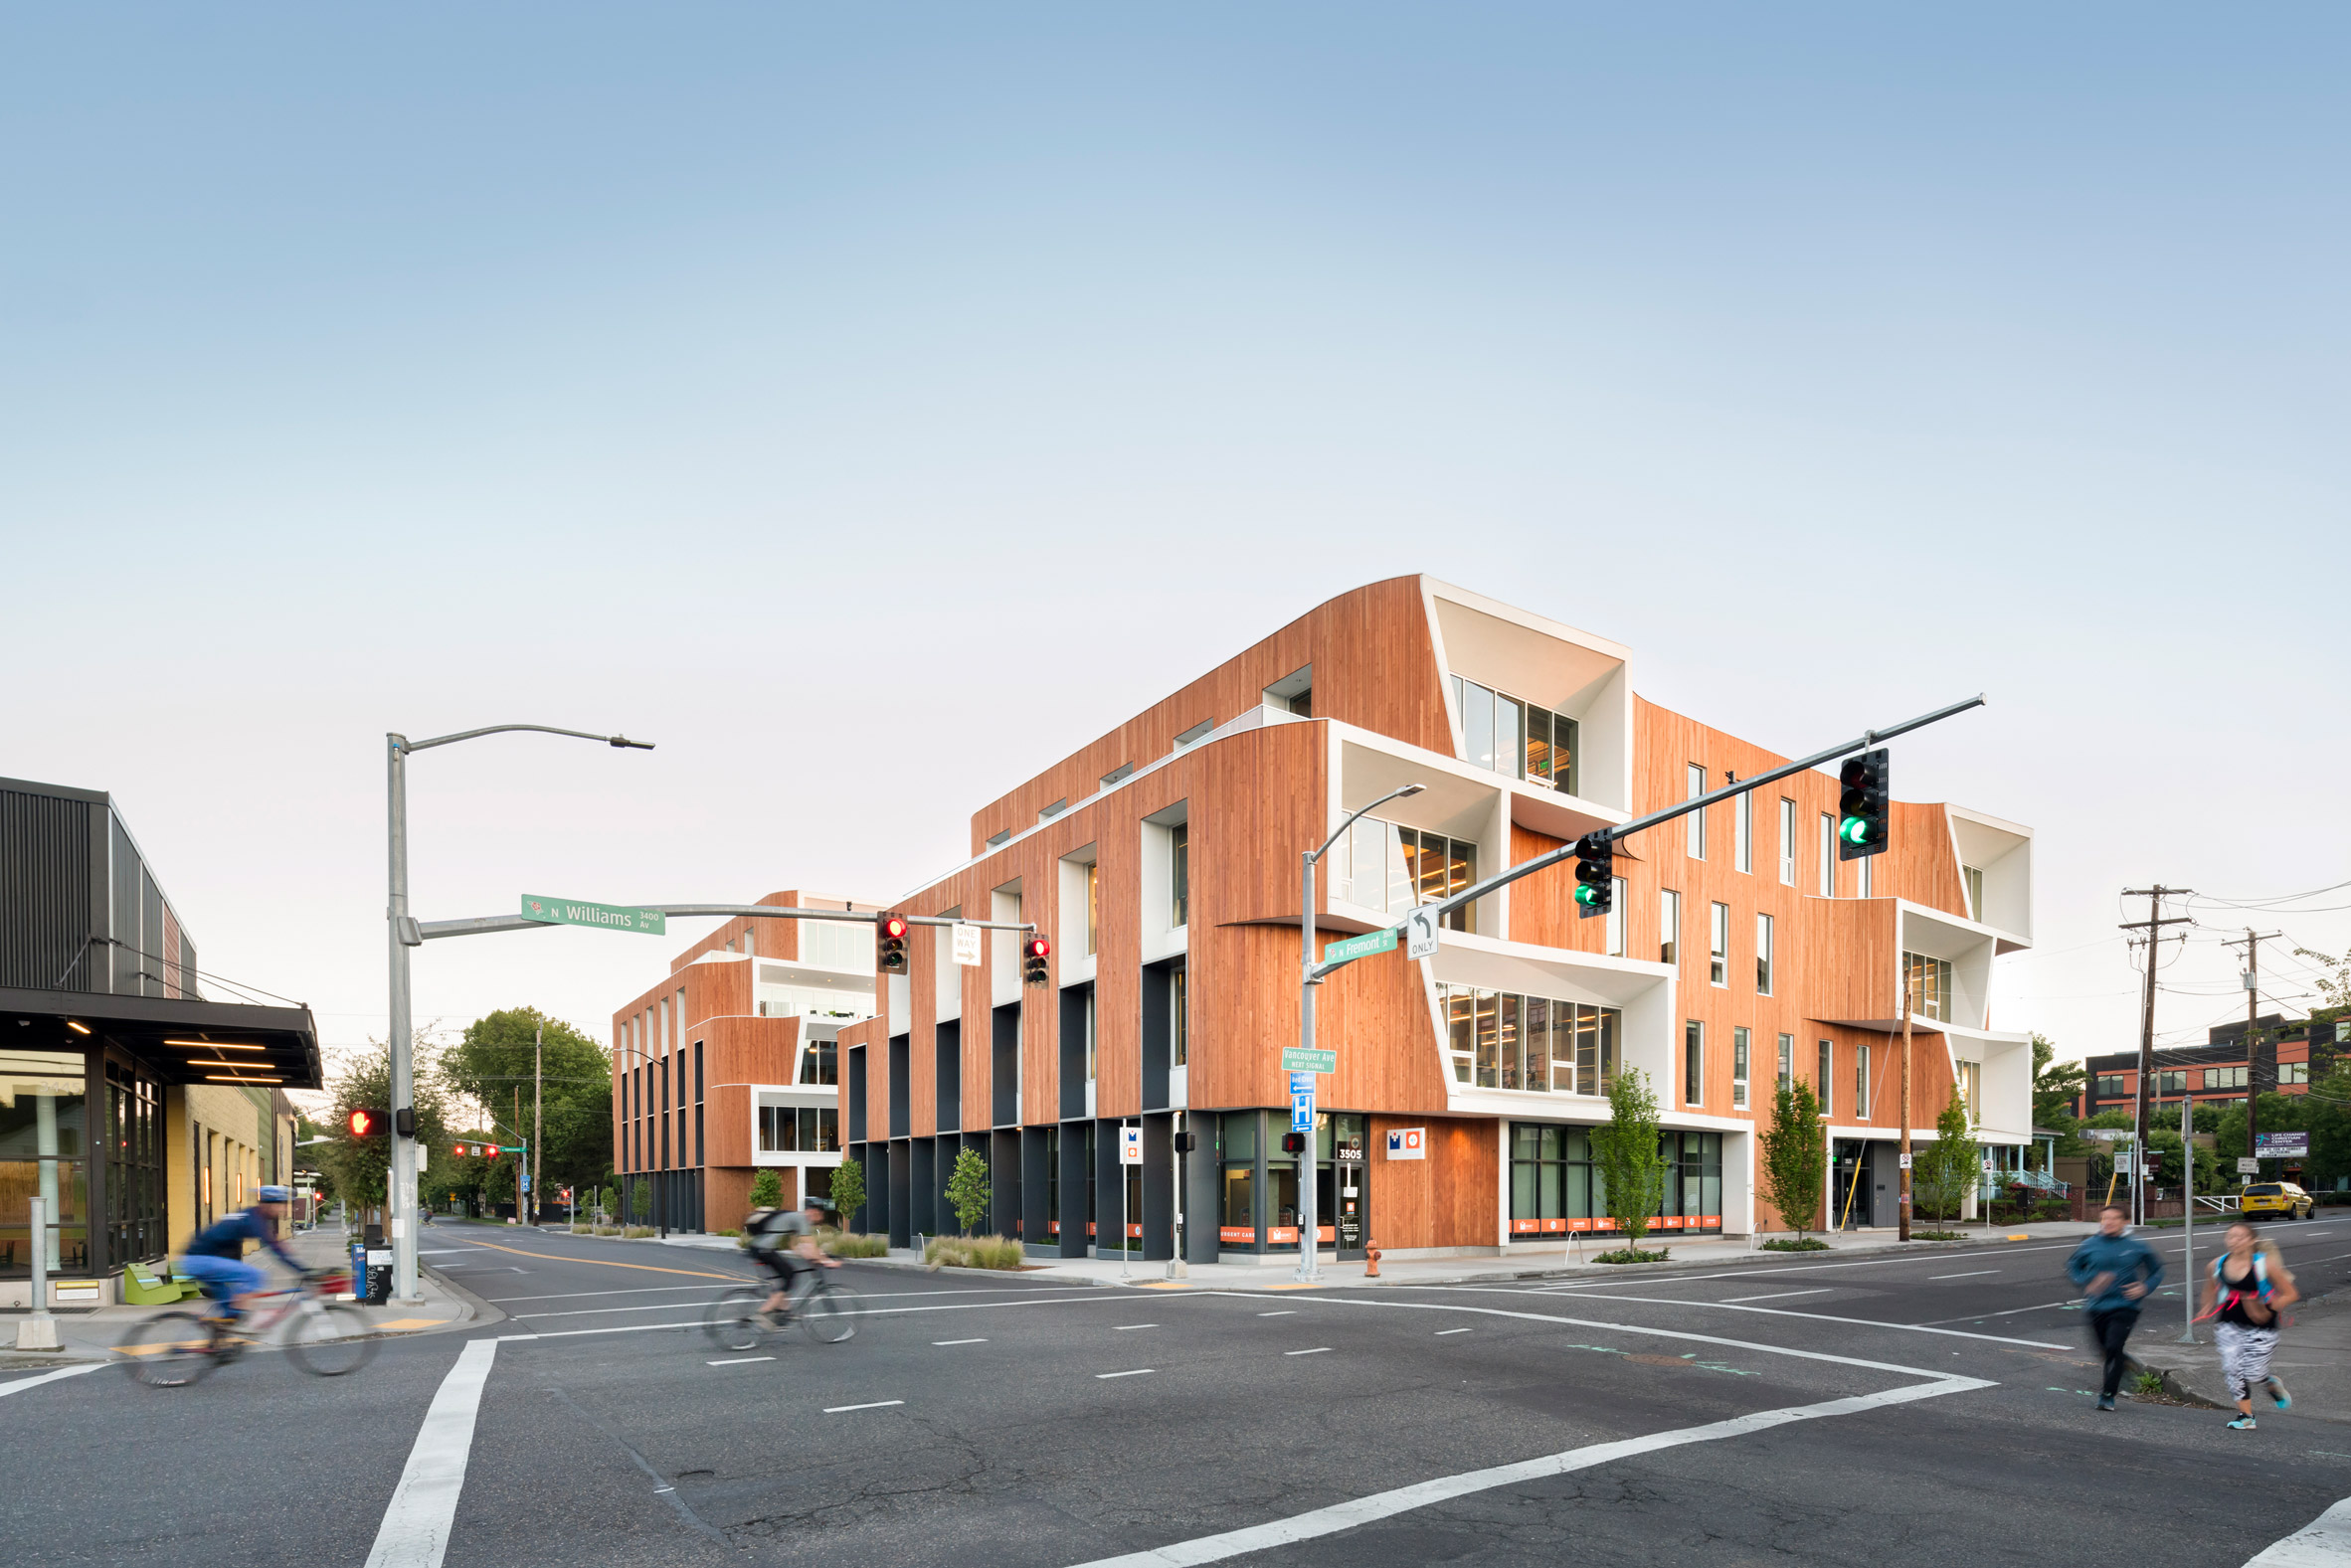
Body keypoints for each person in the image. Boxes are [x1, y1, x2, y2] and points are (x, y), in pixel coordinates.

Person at [2067, 1203, 2165, 1411]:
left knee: (2113, 1347)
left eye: (2114, 1218)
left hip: (2125, 1305)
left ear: (2125, 1222)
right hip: (2097, 1305)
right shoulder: (2089, 1244)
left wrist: (2144, 1287)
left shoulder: (2137, 1246)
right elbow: (2073, 1267)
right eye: (2105, 1218)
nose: (2109, 1222)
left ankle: (2108, 1395)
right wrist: (2087, 1281)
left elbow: (2157, 1271)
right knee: (2104, 1350)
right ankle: (2124, 1360)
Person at [2201, 1221, 2299, 1431]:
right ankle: (2245, 1416)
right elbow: (2211, 1287)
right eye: (2231, 1236)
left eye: (2241, 1236)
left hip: (2261, 1327)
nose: (2235, 1240)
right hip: (2229, 1323)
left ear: (2252, 1240)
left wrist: (2270, 1306)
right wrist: (2207, 1305)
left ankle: (2270, 1382)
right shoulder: (2216, 1264)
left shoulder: (2265, 1265)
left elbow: (2291, 1293)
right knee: (2232, 1369)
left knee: (2253, 1374)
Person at [177, 1186, 302, 1328]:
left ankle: (218, 1336)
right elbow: (276, 1250)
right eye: (282, 1205)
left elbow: (276, 1245)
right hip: (200, 1260)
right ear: (271, 1204)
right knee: (254, 1275)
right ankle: (235, 1314)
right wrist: (303, 1270)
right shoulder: (254, 1220)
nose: (284, 1210)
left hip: (199, 1259)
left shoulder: (252, 1216)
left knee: (228, 1306)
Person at [745, 1194, 840, 1324]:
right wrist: (827, 1261)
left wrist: (814, 1257)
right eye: (821, 1213)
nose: (822, 1217)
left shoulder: (795, 1218)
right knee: (789, 1275)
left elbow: (796, 1246)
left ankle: (782, 1312)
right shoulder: (801, 1219)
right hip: (764, 1250)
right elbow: (810, 1244)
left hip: (758, 1249)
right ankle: (762, 1313)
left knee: (784, 1277)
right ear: (814, 1211)